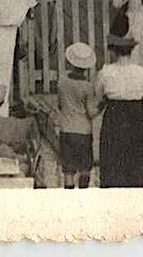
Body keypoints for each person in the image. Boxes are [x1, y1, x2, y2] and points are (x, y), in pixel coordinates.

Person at [95, 31, 143, 187]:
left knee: (112, 156)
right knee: (135, 155)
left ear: (113, 51)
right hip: (135, 115)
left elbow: (98, 97)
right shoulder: (142, 72)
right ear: (131, 51)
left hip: (114, 113)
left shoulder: (105, 72)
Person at [54, 41, 100, 187]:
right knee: (85, 169)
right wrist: (103, 104)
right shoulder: (87, 86)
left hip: (66, 129)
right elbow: (91, 113)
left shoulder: (62, 81)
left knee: (68, 171)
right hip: (83, 131)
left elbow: (60, 105)